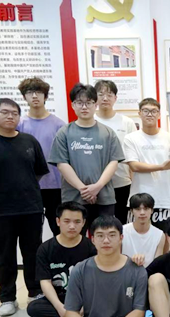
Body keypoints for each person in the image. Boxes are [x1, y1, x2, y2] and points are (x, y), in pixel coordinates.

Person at [44, 216, 157, 317]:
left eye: (112, 235)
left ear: (121, 238)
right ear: (93, 240)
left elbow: (139, 312)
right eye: (100, 236)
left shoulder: (136, 270)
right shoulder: (80, 269)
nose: (106, 240)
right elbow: (71, 312)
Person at [0, 98, 49, 316]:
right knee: (5, 254)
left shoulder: (29, 141)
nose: (10, 116)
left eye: (15, 113)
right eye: (5, 112)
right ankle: (7, 298)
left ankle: (35, 292)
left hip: (31, 207)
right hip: (1, 210)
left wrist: (25, 188)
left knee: (33, 252)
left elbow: (39, 171)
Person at [49, 83, 125, 233]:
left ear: (95, 104)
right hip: (74, 197)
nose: (84, 107)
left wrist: (97, 187)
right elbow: (62, 164)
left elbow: (113, 162)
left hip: (104, 197)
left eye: (89, 102)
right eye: (79, 102)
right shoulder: (64, 133)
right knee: (76, 238)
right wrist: (83, 189)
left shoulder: (108, 133)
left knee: (104, 237)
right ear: (73, 105)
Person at [27, 202, 97, 317]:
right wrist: (59, 307)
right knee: (33, 308)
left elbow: (96, 281)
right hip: (60, 298)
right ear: (58, 221)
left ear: (83, 223)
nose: (72, 226)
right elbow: (45, 281)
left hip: (85, 299)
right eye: (67, 221)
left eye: (77, 222)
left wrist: (84, 305)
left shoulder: (91, 248)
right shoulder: (45, 249)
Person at [17, 77, 67, 236]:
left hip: (56, 185)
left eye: (38, 92)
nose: (34, 96)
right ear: (24, 97)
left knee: (59, 230)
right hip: (29, 186)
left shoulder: (59, 125)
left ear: (45, 96)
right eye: (29, 92)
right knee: (31, 232)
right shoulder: (19, 124)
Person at [124, 98, 170, 231]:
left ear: (159, 114)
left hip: (165, 199)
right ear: (139, 113)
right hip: (139, 200)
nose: (150, 114)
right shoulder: (131, 138)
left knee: (165, 236)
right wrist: (161, 167)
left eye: (154, 111)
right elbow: (134, 166)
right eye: (146, 111)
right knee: (137, 236)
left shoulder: (169, 138)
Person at [94, 80, 137, 224]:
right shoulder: (89, 120)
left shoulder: (127, 122)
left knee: (121, 224)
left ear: (115, 98)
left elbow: (133, 154)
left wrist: (133, 182)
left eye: (109, 94)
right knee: (98, 225)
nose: (105, 98)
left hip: (122, 182)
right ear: (95, 97)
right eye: (101, 94)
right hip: (95, 184)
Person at [122, 193, 166, 268]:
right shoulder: (122, 231)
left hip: (150, 272)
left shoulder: (160, 235)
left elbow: (157, 264)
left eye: (146, 209)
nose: (142, 213)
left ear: (152, 210)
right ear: (132, 211)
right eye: (138, 209)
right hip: (126, 271)